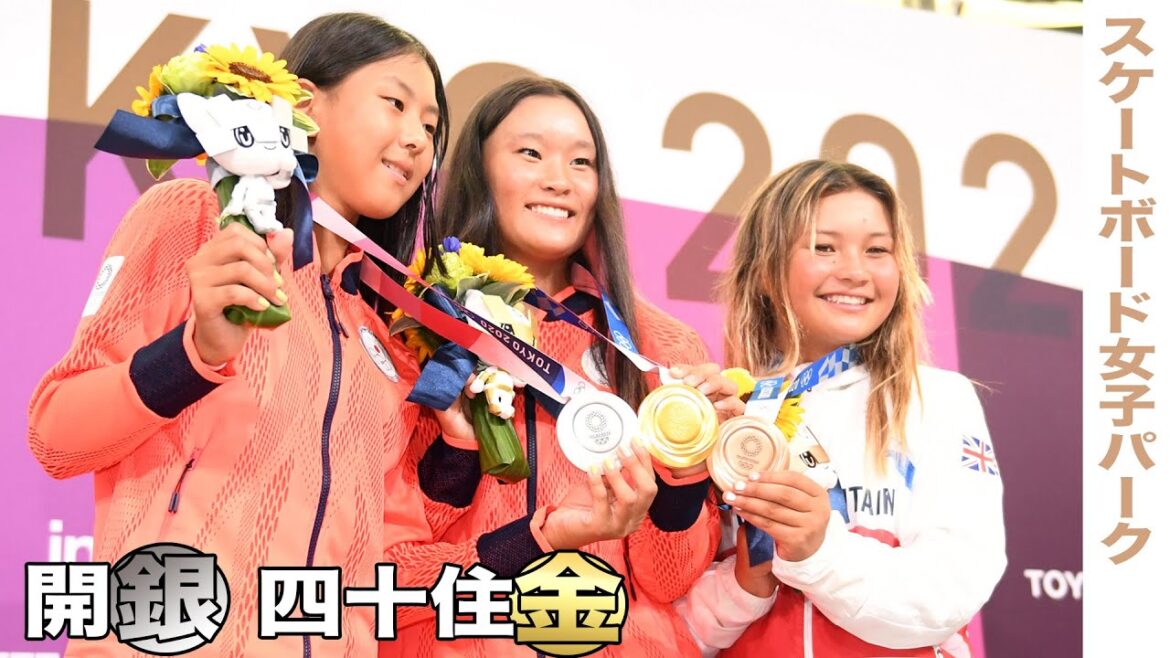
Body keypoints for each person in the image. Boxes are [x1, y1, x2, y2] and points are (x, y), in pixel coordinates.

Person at [27, 13, 449, 657]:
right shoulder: (195, 220)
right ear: (307, 105)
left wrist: (537, 535)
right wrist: (193, 356)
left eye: (430, 126)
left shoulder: (385, 335)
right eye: (395, 103)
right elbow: (54, 435)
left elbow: (388, 567)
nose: (416, 138)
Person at [383, 77, 740, 657]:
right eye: (531, 153)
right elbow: (394, 560)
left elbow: (668, 578)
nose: (560, 179)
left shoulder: (664, 348)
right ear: (477, 171)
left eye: (582, 161)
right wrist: (458, 460)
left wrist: (685, 468)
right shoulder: (415, 321)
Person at [675, 160, 1006, 657]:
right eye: (824, 247)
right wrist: (745, 584)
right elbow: (671, 627)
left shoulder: (938, 399)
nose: (854, 271)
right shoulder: (725, 411)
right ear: (766, 269)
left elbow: (951, 590)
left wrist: (818, 551)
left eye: (878, 250)